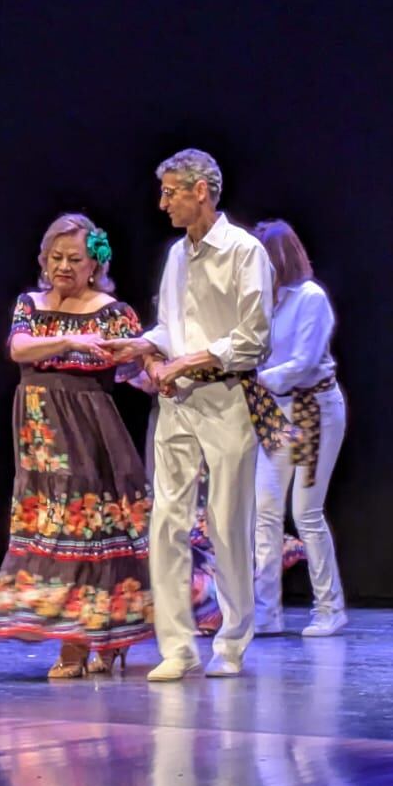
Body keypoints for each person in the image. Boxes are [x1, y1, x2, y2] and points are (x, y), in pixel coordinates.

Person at [106, 148, 273, 681]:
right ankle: (176, 647)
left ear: (201, 191)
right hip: (177, 402)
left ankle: (231, 643)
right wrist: (139, 346)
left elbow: (253, 340)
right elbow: (171, 325)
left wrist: (183, 361)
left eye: (171, 192)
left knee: (228, 525)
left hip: (226, 400)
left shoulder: (245, 251)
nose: (163, 204)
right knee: (166, 523)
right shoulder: (179, 254)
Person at [0, 214, 155, 676]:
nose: (63, 267)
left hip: (89, 428)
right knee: (52, 529)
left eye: (74, 259)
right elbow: (20, 349)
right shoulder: (30, 305)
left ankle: (88, 641)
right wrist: (69, 338)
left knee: (93, 529)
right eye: (55, 257)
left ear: (94, 264)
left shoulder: (111, 311)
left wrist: (157, 374)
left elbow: (136, 365)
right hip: (40, 431)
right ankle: (83, 639)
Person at [249, 219, 349, 636]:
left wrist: (256, 377)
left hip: (315, 409)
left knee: (305, 511)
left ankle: (330, 608)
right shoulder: (261, 301)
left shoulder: (310, 297)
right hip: (277, 411)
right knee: (265, 509)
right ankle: (265, 612)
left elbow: (305, 363)